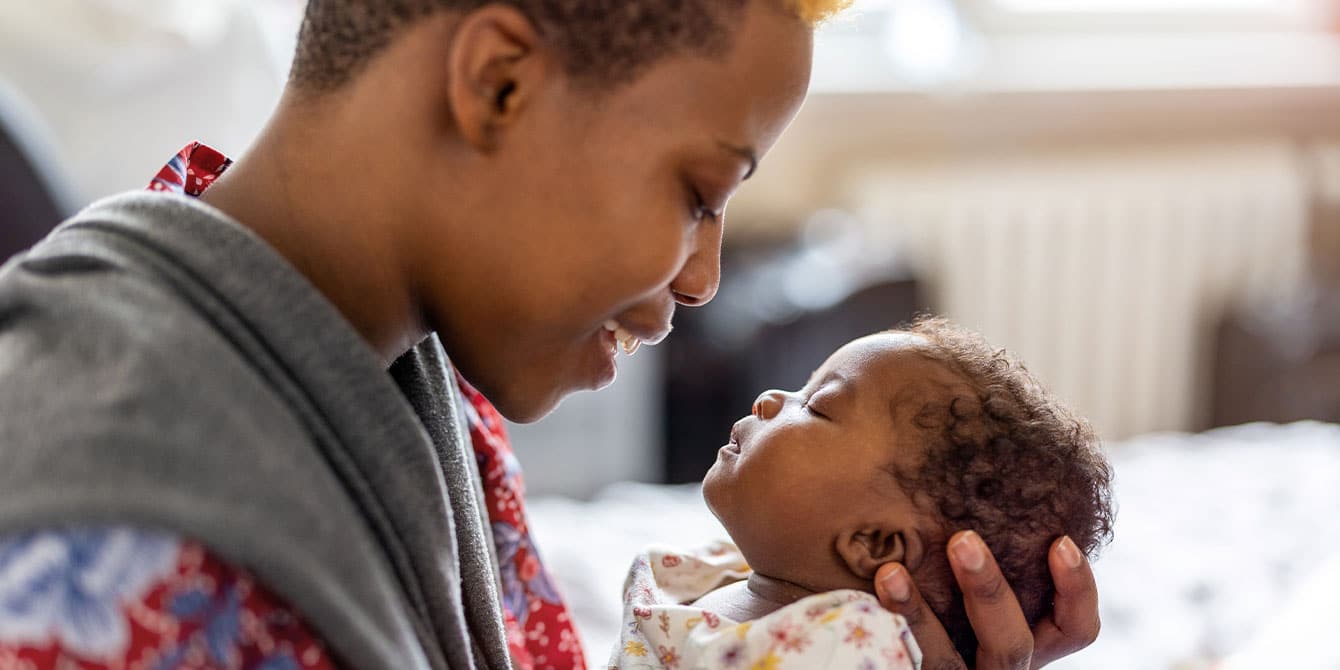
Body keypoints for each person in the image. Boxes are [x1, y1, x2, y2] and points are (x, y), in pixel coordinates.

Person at [0, 1, 1102, 668]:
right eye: (697, 191)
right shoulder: (128, 570)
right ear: (500, 83)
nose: (705, 274)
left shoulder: (403, 372)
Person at [611, 319, 1113, 668]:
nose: (769, 400)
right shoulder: (740, 571)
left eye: (817, 406)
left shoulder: (840, 650)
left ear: (874, 544)